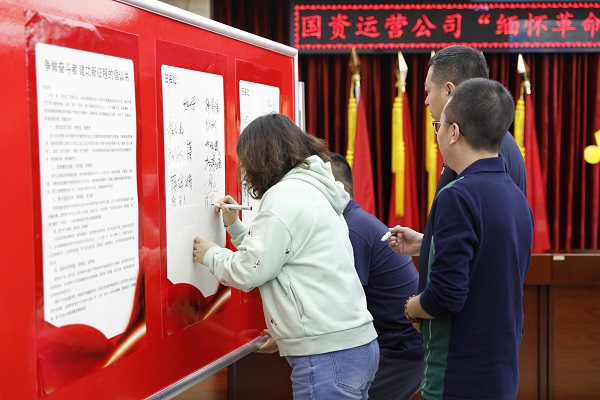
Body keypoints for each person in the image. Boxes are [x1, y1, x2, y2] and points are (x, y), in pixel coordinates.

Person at [192, 113, 379, 400]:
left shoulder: (285, 196)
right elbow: (276, 254)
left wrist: (210, 255)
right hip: (354, 346)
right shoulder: (313, 187)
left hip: (327, 355)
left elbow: (250, 270)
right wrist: (235, 227)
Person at [392, 78, 534, 399]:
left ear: (453, 132)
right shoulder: (516, 197)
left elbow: (445, 296)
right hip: (500, 367)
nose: (437, 134)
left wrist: (412, 307)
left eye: (438, 126)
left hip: (458, 371)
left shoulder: (458, 195)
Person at [328, 152, 423, 400]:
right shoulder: (354, 221)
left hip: (399, 352)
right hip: (400, 346)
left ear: (333, 187)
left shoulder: (350, 229)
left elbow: (342, 304)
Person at [425, 45, 526, 195]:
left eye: (428, 91)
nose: (426, 101)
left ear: (449, 91)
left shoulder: (478, 145)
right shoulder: (489, 136)